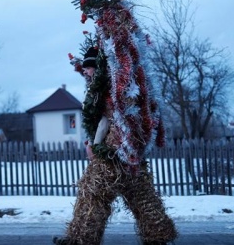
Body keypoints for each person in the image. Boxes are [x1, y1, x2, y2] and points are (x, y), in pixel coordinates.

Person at [53, 47, 178, 245]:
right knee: (138, 192)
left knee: (94, 193)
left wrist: (96, 147)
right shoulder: (103, 87)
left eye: (88, 68)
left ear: (97, 67)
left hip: (114, 151)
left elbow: (108, 120)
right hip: (125, 150)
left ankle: (81, 239)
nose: (85, 72)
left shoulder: (111, 89)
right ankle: (158, 234)